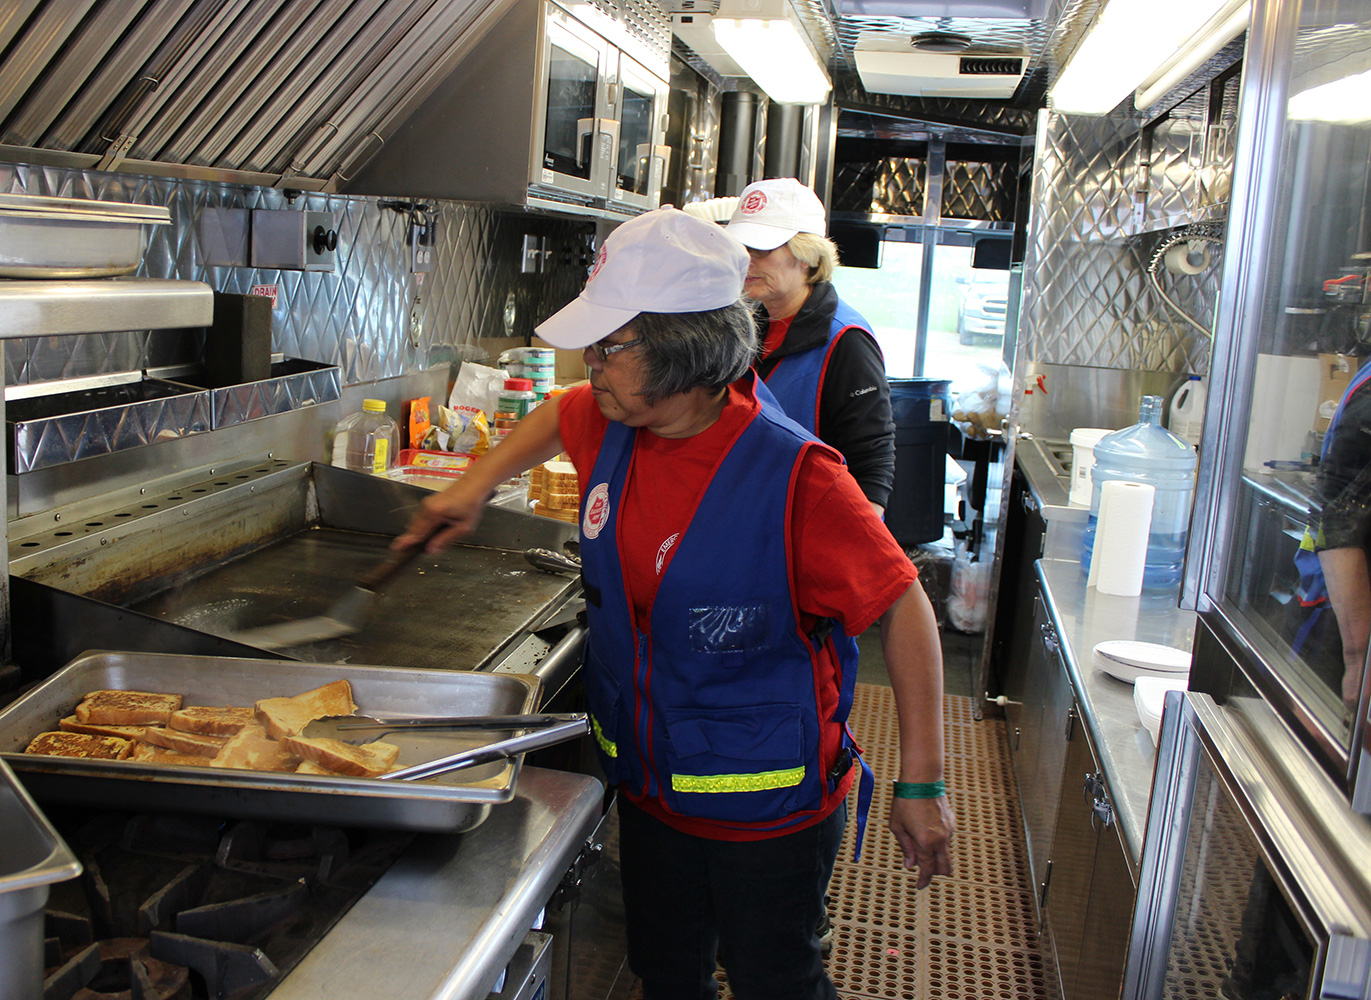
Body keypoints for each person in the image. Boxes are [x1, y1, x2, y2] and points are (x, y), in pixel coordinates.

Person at [396, 208, 953, 1000]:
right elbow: (559, 414)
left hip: (767, 807)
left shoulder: (796, 477)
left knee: (775, 979)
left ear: (682, 349)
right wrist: (469, 488)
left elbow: (904, 608)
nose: (590, 366)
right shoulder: (618, 419)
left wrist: (921, 783)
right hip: (653, 789)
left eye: (609, 347)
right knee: (667, 975)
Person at [725, 177, 895, 518]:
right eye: (740, 248)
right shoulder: (745, 326)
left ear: (807, 256)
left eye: (761, 249)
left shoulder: (845, 341)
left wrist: (851, 546)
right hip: (752, 517)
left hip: (806, 526)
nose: (746, 261)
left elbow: (872, 461)